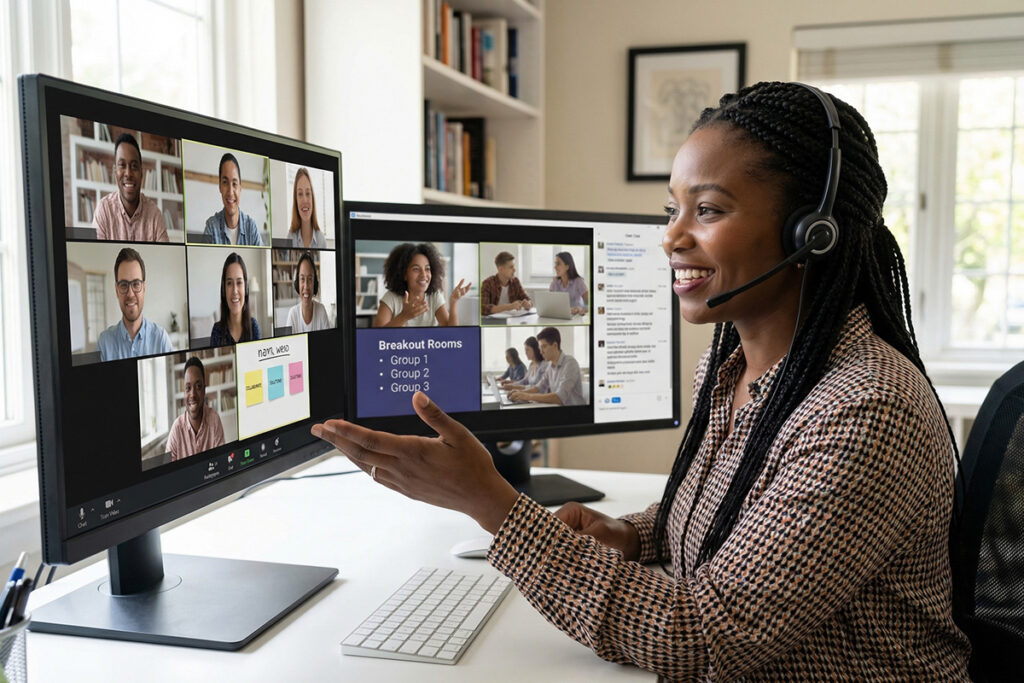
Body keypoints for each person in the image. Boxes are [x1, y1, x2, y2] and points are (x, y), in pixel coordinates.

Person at [311, 81, 971, 680]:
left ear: (810, 232)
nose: (671, 237)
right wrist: (633, 536)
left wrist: (491, 502)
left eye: (707, 210)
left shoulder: (865, 408)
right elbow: (745, 517)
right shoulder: (737, 371)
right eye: (672, 209)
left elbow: (705, 639)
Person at [97, 247, 174, 361]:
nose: (130, 294)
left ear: (144, 288)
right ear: (116, 290)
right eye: (124, 285)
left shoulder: (161, 339)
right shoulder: (104, 343)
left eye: (136, 284)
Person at [92, 133, 169, 242]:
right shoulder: (104, 210)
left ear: (142, 173)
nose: (128, 173)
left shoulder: (155, 215)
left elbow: (165, 256)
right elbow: (97, 256)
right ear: (115, 172)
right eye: (122, 165)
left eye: (134, 166)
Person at [372, 242, 470, 328]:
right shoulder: (391, 298)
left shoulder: (434, 296)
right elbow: (376, 336)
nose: (424, 275)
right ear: (404, 274)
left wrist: (453, 302)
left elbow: (452, 333)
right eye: (416, 269)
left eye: (427, 269)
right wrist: (403, 316)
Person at [506, 327, 584, 406]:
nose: (541, 352)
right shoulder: (550, 366)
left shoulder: (570, 363)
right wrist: (520, 393)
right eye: (540, 348)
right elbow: (539, 387)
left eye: (544, 347)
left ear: (555, 345)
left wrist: (527, 396)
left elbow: (559, 398)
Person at [167, 356, 225, 461]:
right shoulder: (176, 429)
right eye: (188, 388)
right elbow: (166, 471)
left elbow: (222, 461)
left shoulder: (214, 420)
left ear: (204, 390)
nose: (192, 394)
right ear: (184, 392)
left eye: (198, 386)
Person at [203, 152, 263, 246]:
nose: (230, 192)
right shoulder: (211, 227)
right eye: (225, 182)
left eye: (234, 184)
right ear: (220, 187)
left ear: (240, 188)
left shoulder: (251, 227)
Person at [209, 252, 261, 344]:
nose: (235, 291)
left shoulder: (253, 326)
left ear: (246, 288)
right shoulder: (217, 330)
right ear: (223, 289)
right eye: (229, 283)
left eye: (239, 283)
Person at [286, 251, 330, 332]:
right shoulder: (292, 314)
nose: (306, 286)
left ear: (315, 283)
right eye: (302, 279)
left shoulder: (321, 310)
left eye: (310, 279)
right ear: (297, 283)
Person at [287, 167, 327, 249]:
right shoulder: (290, 238)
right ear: (296, 199)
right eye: (300, 194)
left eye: (308, 193)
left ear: (312, 198)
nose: (305, 200)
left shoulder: (321, 240)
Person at [549, 251, 588, 315]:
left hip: (575, 318)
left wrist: (581, 309)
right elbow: (549, 303)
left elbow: (590, 304)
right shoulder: (554, 282)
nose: (555, 267)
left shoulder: (578, 281)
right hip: (559, 316)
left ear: (567, 267)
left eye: (558, 264)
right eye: (555, 264)